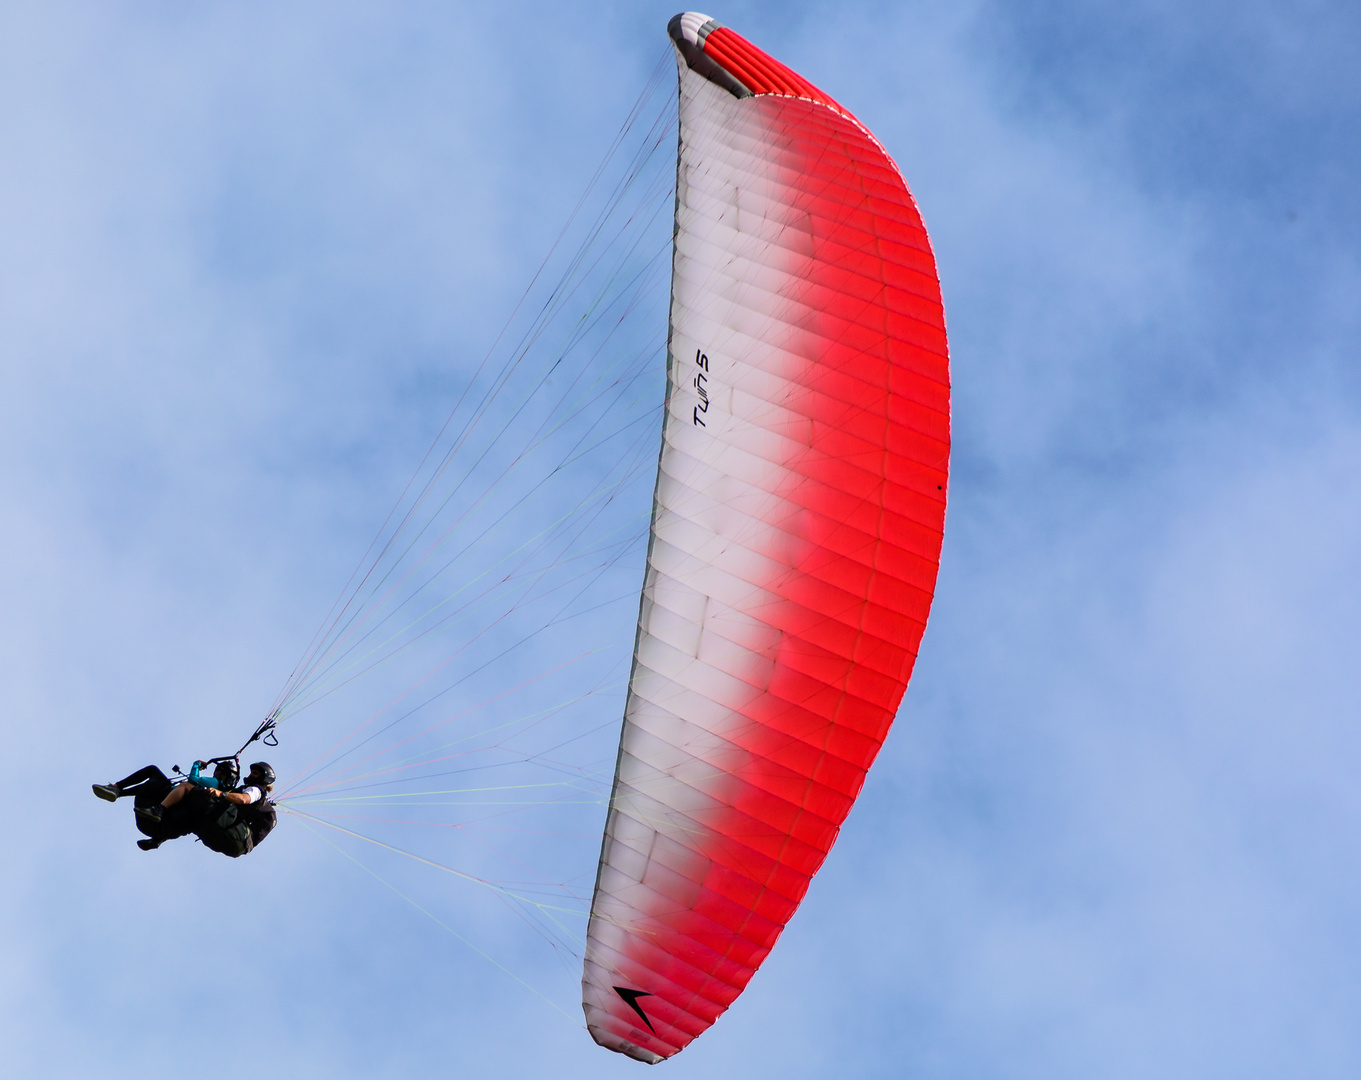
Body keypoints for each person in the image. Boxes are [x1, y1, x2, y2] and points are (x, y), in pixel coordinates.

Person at [93, 759, 276, 855]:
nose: (251, 775)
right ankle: (158, 839)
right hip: (197, 831)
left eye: (255, 773)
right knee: (191, 816)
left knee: (155, 773)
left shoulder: (252, 790)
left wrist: (197, 766)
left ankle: (121, 791)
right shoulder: (210, 808)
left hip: (162, 820)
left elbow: (193, 781)